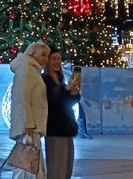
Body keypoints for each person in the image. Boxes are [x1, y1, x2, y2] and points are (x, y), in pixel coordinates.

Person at [10, 41, 49, 179]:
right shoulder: (27, 70)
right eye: (43, 55)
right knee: (27, 167)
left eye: (47, 56)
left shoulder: (32, 71)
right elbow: (21, 97)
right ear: (32, 54)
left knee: (30, 166)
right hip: (29, 128)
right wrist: (27, 123)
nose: (46, 59)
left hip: (32, 127)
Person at [43, 50, 79, 179]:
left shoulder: (60, 80)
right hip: (55, 130)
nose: (57, 62)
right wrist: (66, 89)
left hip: (66, 128)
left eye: (59, 58)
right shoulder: (45, 80)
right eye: (54, 59)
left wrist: (73, 94)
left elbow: (64, 103)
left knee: (67, 169)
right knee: (57, 168)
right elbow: (52, 97)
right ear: (47, 61)